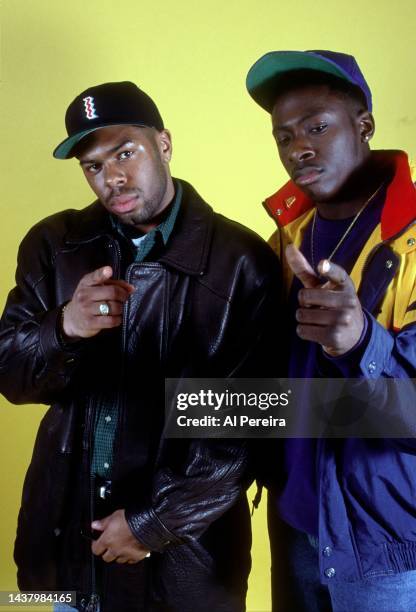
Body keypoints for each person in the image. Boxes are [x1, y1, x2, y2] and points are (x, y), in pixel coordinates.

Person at [0, 81, 281, 612]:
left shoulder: (241, 262)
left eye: (125, 152)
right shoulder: (53, 245)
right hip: (70, 553)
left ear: (164, 144)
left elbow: (248, 427)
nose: (113, 178)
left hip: (184, 567)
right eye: (94, 166)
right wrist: (63, 327)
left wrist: (151, 524)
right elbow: (9, 375)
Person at [245, 50, 416, 611]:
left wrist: (364, 342)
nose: (299, 148)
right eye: (284, 136)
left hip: (387, 547)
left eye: (317, 127)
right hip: (295, 523)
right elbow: (281, 401)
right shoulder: (282, 242)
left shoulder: (412, 242)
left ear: (363, 125)